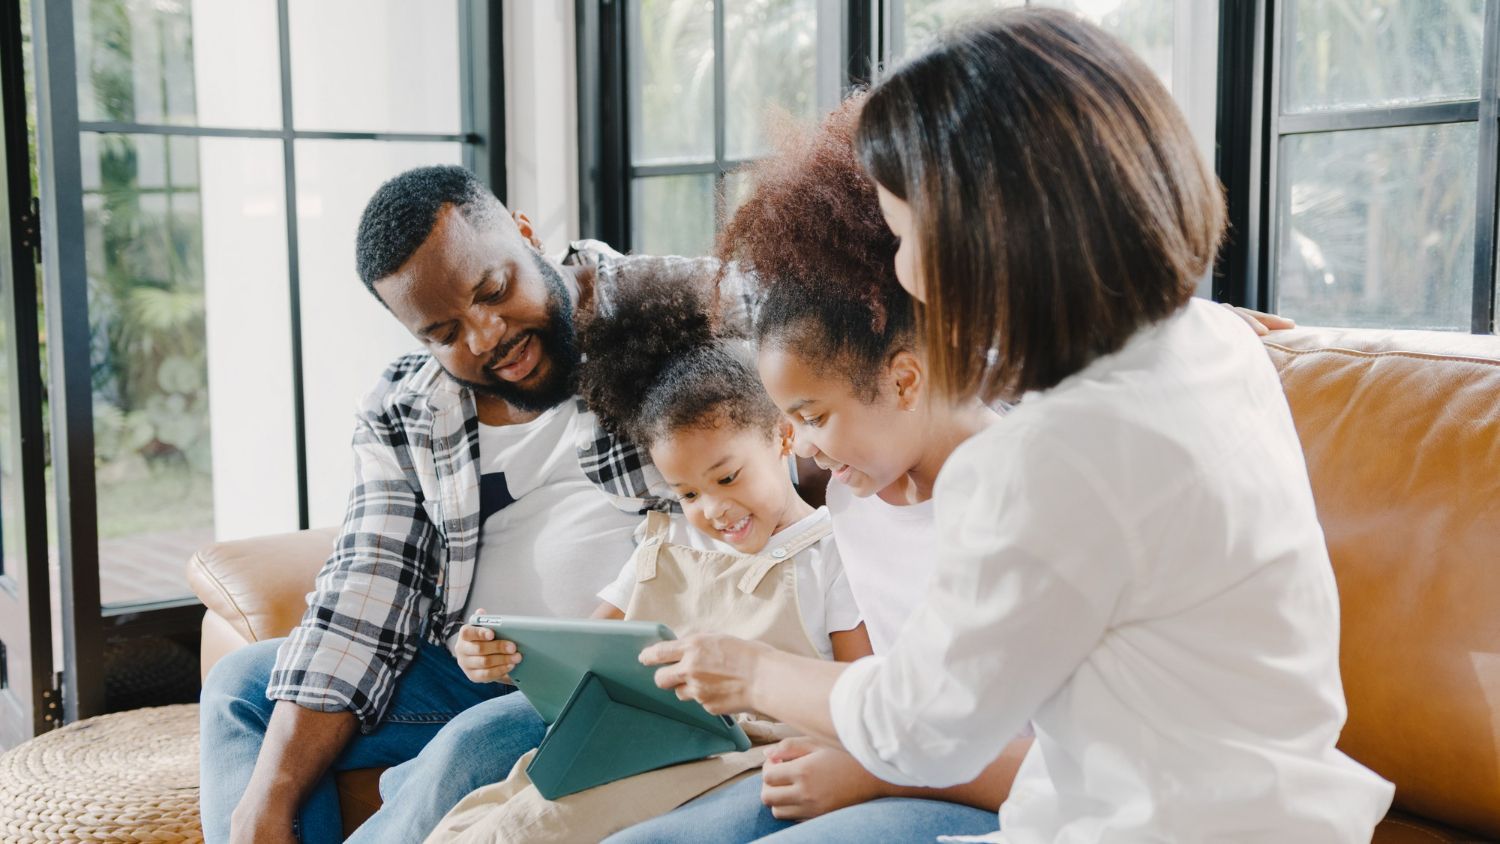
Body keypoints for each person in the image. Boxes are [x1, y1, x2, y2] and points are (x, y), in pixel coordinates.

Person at [642, 10, 1395, 842]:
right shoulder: (1212, 341)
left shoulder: (1054, 458)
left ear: (988, 236)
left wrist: (752, 671)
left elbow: (920, 727)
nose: (900, 268)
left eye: (902, 234)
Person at [197, 166, 758, 843]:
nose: (486, 336)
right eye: (443, 332)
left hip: (621, 679)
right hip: (474, 666)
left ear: (526, 233)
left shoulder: (667, 307)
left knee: (471, 746)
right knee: (242, 684)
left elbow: (821, 318)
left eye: (493, 290)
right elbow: (363, 598)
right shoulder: (406, 409)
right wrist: (268, 801)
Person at [426, 257, 870, 842]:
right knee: (494, 817)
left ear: (783, 437)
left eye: (728, 477)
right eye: (687, 492)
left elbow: (861, 695)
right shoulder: (666, 542)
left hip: (749, 760)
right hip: (639, 745)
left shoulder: (831, 553)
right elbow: (584, 652)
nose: (711, 509)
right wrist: (500, 649)